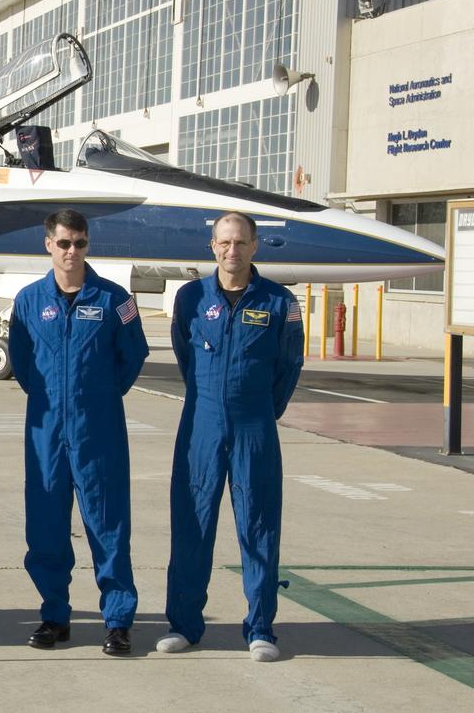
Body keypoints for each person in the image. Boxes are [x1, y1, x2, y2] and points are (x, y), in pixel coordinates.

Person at [156, 211, 304, 663]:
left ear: (255, 246)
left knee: (258, 524)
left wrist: (258, 410)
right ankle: (184, 624)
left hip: (254, 424)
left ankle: (260, 627)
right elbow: (184, 354)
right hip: (201, 423)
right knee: (191, 524)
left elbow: (289, 365)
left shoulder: (281, 302)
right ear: (213, 247)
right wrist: (212, 402)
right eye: (224, 243)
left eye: (240, 242)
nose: (232, 250)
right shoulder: (191, 297)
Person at [8, 208, 148, 655]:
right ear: (48, 244)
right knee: (46, 525)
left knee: (108, 525)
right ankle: (54, 616)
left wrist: (99, 396)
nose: (72, 251)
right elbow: (24, 363)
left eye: (80, 243)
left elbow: (134, 356)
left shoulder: (116, 299)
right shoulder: (29, 301)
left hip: (99, 430)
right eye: (64, 243)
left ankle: (118, 620)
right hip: (46, 431)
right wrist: (56, 401)